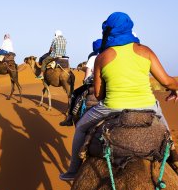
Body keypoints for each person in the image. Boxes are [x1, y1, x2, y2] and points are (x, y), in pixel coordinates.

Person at [59, 12, 178, 181]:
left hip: (111, 107)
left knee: (81, 128)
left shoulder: (102, 57)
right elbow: (167, 81)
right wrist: (175, 89)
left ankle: (72, 171)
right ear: (129, 27)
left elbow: (99, 95)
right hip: (148, 106)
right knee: (166, 131)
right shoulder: (145, 51)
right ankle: (174, 161)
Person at [59, 38, 102, 126]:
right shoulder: (110, 56)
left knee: (74, 94)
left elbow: (87, 77)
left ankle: (69, 118)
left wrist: (86, 80)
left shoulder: (93, 58)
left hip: (94, 84)